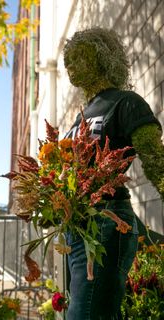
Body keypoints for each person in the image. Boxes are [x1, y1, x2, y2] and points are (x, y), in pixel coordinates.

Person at [62, 27, 164, 319]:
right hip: (77, 228)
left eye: (78, 57)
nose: (70, 66)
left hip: (108, 222)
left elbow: (155, 159)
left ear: (102, 56)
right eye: (67, 61)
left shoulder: (126, 103)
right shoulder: (81, 115)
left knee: (86, 313)